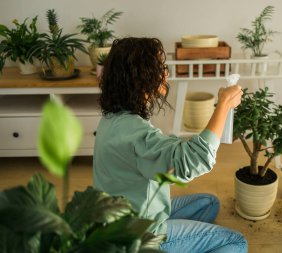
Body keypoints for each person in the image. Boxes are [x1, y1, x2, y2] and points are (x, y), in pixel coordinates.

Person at [93, 37, 247, 253]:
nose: (165, 73)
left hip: (119, 220)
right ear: (141, 76)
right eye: (160, 67)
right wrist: (223, 106)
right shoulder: (136, 133)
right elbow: (196, 160)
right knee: (236, 242)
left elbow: (159, 153)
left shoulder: (113, 118)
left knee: (209, 203)